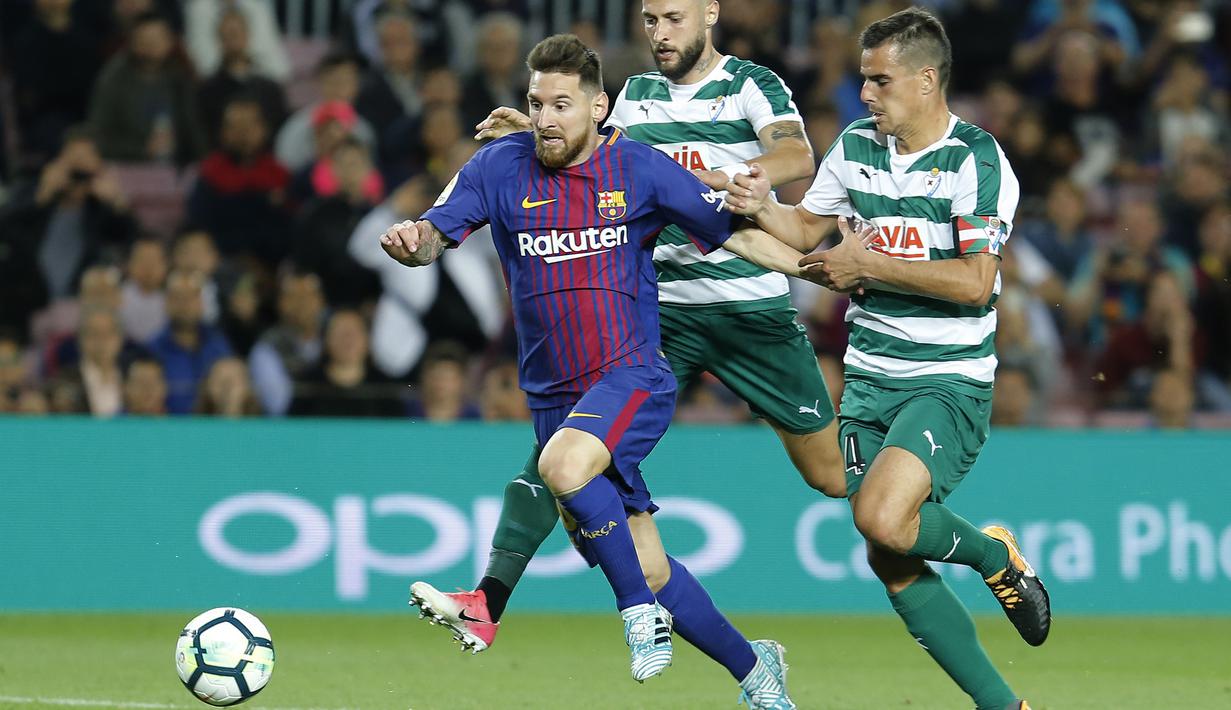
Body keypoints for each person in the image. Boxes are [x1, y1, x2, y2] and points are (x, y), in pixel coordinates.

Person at [380, 33, 812, 707]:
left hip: (631, 377)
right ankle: (756, 672)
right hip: (554, 396)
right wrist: (411, 242)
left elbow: (736, 234)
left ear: (598, 107)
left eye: (561, 103)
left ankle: (635, 617)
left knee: (559, 469)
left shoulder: (638, 168)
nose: (546, 117)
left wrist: (818, 270)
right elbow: (433, 234)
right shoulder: (496, 167)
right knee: (647, 560)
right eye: (535, 103)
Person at [724, 9, 1046, 710]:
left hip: (946, 382)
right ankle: (1004, 706)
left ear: (926, 80)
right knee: (888, 552)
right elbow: (807, 230)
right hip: (870, 383)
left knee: (879, 517)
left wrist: (871, 262)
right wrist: (758, 205)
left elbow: (975, 281)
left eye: (879, 80)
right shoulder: (855, 147)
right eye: (862, 80)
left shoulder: (974, 159)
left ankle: (993, 556)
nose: (864, 94)